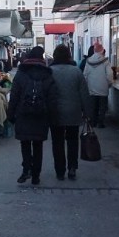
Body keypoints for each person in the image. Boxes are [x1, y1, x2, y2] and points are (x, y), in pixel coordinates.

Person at [7, 46, 58, 185]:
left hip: (23, 114)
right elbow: (52, 99)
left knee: (25, 143)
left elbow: (14, 97)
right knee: (38, 145)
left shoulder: (21, 74)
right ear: (42, 58)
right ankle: (36, 175)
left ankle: (26, 169)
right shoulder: (48, 75)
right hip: (41, 115)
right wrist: (52, 117)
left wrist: (10, 114)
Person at [48, 44, 92, 181]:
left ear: (55, 56)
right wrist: (87, 112)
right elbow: (84, 94)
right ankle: (72, 168)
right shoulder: (76, 71)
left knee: (57, 142)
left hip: (55, 112)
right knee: (73, 141)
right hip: (73, 112)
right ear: (69, 56)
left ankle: (60, 171)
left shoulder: (49, 71)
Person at [82, 42, 113, 128]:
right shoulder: (105, 61)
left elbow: (85, 75)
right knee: (102, 106)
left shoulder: (88, 61)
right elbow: (109, 74)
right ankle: (101, 122)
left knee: (93, 106)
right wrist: (109, 83)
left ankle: (93, 122)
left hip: (91, 88)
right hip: (103, 87)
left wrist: (87, 85)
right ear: (102, 50)